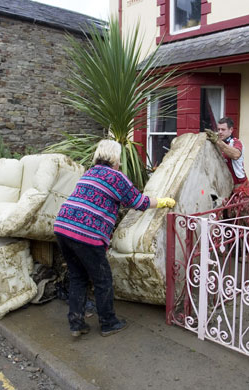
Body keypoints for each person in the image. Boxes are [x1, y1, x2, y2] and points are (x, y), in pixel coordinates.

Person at [53, 139, 176, 338]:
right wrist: (162, 202)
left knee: (78, 277)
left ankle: (76, 324)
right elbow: (138, 202)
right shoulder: (116, 177)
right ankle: (109, 323)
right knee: (103, 280)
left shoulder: (90, 173)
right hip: (86, 233)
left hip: (62, 227)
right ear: (115, 158)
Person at [208, 117, 249, 197]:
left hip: (239, 186)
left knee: (239, 209)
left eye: (223, 129)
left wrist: (218, 142)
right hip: (222, 186)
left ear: (231, 130)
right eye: (218, 129)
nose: (220, 132)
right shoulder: (217, 143)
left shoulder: (236, 142)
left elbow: (235, 155)